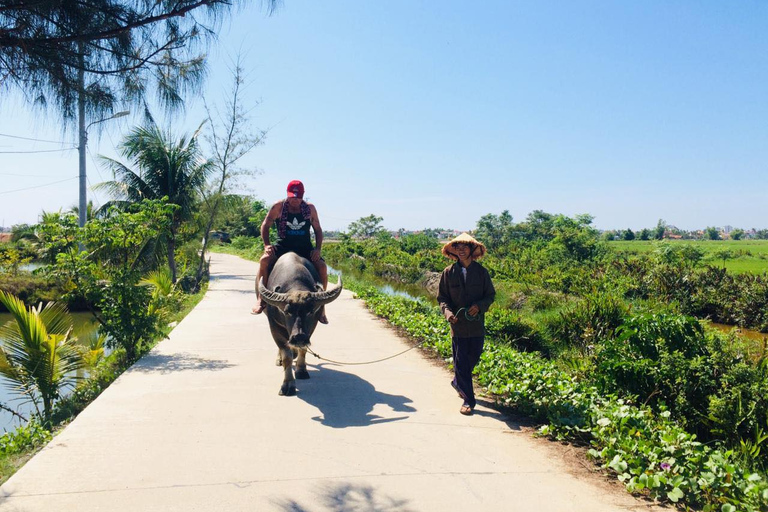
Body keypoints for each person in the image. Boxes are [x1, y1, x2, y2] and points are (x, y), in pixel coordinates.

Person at [252, 180, 329, 323]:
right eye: (292, 197)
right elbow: (265, 225)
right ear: (287, 194)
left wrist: (317, 249)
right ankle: (261, 299)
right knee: (264, 261)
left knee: (323, 267)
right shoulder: (278, 207)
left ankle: (322, 305)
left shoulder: (310, 209)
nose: (295, 200)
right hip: (282, 246)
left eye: (298, 197)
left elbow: (318, 230)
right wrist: (267, 245)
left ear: (303, 195)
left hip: (305, 247)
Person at [437, 233, 495, 415]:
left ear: (472, 250)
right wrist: (448, 314)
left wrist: (479, 306)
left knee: (473, 357)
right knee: (461, 362)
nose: (461, 250)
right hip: (458, 326)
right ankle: (469, 400)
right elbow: (442, 299)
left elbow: (490, 295)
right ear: (453, 251)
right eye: (458, 247)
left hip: (476, 325)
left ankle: (458, 382)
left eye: (465, 247)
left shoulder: (481, 273)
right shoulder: (448, 273)